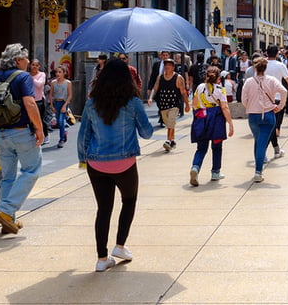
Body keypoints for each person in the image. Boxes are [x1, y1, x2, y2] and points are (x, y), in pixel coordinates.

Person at [77, 58, 153, 272]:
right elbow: (146, 133)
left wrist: (83, 160)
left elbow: (84, 135)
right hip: (124, 164)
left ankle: (102, 259)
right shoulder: (133, 102)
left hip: (96, 164)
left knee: (103, 209)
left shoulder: (92, 102)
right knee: (129, 200)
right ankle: (120, 245)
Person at [0, 43, 44, 235]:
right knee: (31, 170)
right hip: (21, 132)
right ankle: (5, 209)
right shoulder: (23, 77)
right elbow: (30, 103)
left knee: (8, 176)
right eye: (26, 58)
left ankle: (7, 219)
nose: (28, 62)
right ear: (18, 60)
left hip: (0, 133)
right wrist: (39, 129)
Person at [241, 57, 288, 183]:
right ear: (265, 68)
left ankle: (258, 169)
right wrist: (280, 106)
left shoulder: (249, 82)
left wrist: (250, 106)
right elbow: (284, 91)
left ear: (255, 68)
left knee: (258, 141)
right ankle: (258, 171)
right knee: (261, 143)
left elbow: (243, 99)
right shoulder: (271, 80)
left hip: (253, 115)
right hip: (268, 114)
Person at [189, 66, 235, 186]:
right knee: (217, 147)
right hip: (216, 121)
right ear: (218, 79)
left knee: (201, 148)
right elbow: (224, 107)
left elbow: (194, 104)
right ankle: (215, 172)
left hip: (202, 119)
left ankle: (195, 167)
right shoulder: (220, 89)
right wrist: (230, 123)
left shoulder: (199, 87)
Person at [147, 59, 189, 151]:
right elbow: (155, 88)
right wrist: (150, 98)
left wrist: (187, 104)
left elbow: (183, 92)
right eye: (165, 65)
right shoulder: (160, 77)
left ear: (173, 67)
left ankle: (168, 141)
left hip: (174, 105)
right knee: (169, 124)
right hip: (163, 105)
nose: (167, 67)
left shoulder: (178, 78)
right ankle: (172, 141)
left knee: (171, 122)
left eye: (169, 65)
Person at [50, 66, 73, 149]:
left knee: (61, 120)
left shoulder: (68, 83)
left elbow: (70, 95)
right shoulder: (53, 83)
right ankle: (64, 132)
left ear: (64, 73)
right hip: (56, 102)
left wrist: (65, 105)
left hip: (63, 102)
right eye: (57, 72)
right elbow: (51, 94)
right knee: (59, 122)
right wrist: (52, 105)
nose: (57, 74)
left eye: (60, 72)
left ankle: (61, 140)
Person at [29, 59, 48, 144]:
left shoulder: (42, 74)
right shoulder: (27, 75)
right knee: (31, 120)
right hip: (30, 100)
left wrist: (31, 78)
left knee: (40, 119)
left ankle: (45, 135)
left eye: (36, 65)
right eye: (33, 65)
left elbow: (40, 85)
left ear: (39, 66)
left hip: (39, 100)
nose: (34, 67)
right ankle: (34, 135)